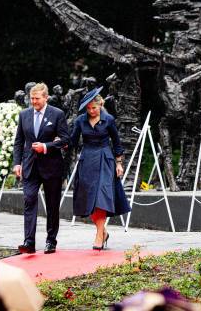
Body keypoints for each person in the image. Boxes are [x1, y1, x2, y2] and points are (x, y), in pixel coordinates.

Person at [70, 87, 131, 250]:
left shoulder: (109, 119)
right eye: (88, 108)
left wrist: (119, 163)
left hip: (105, 159)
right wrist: (58, 141)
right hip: (87, 159)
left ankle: (98, 237)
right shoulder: (80, 121)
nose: (91, 111)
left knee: (101, 196)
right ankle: (103, 231)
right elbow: (73, 142)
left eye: (94, 108)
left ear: (100, 104)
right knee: (88, 198)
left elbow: (117, 143)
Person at [13, 82, 69, 254]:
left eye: (37, 99)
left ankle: (51, 241)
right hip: (30, 166)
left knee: (52, 205)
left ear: (46, 98)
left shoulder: (57, 114)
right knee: (29, 200)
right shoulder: (24, 115)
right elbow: (19, 141)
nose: (34, 102)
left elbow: (66, 140)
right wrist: (17, 163)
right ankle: (29, 242)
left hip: (51, 166)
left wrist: (46, 146)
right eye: (31, 98)